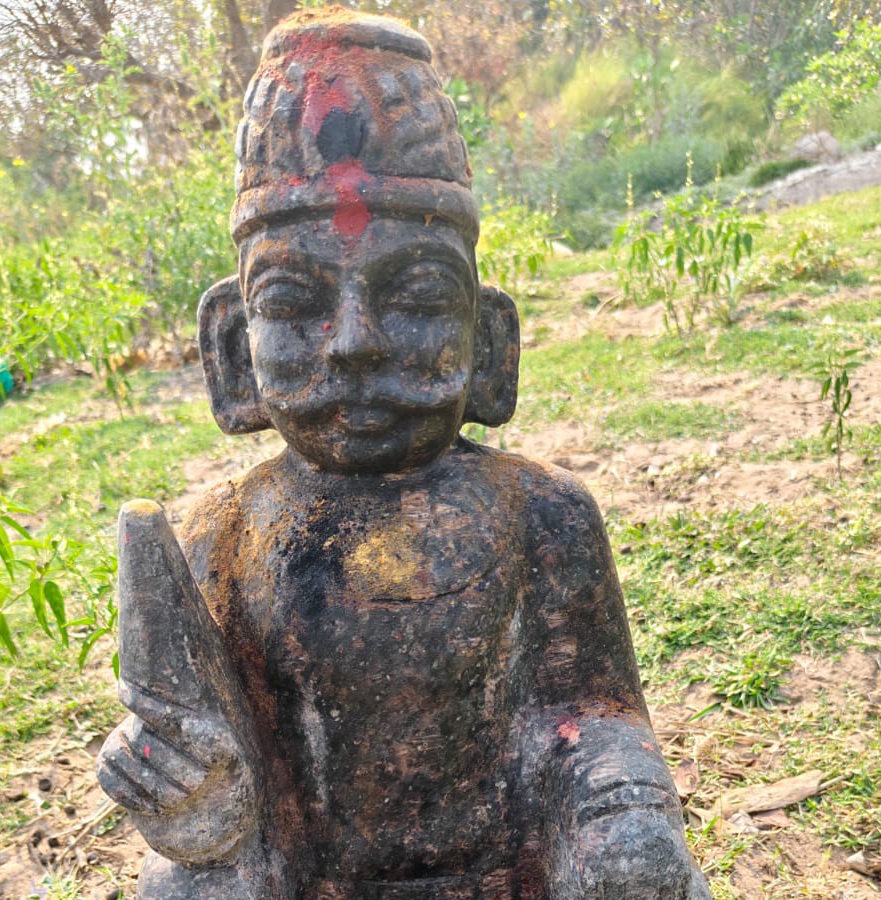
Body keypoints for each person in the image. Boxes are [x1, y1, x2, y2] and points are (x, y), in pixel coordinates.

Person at [98, 10, 710, 899]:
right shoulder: (217, 536)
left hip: (508, 872)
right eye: (295, 302)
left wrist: (621, 814)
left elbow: (593, 718)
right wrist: (188, 792)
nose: (354, 343)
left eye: (417, 296)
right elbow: (225, 775)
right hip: (309, 880)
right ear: (232, 347)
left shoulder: (543, 513)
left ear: (489, 341)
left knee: (638, 867)